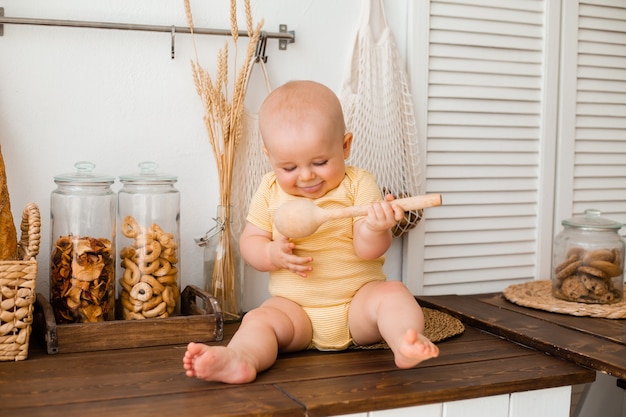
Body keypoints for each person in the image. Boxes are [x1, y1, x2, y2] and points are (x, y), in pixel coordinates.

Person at [183, 80, 439, 384]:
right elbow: (250, 242)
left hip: (357, 307)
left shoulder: (358, 184)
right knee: (258, 319)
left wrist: (373, 226)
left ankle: (403, 342)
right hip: (295, 312)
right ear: (270, 156)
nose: (305, 176)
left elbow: (369, 250)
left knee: (394, 294)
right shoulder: (269, 191)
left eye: (320, 162)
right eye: (289, 168)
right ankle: (242, 358)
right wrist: (270, 253)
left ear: (344, 146)